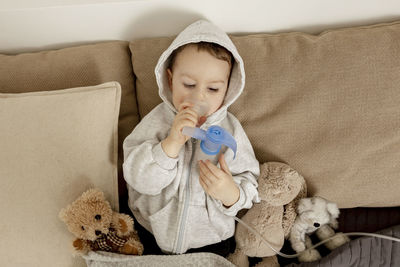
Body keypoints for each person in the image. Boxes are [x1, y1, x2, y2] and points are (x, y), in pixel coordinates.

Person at [123, 20, 260, 256]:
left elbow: (250, 183)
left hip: (213, 240)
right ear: (170, 79)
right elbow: (137, 179)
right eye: (189, 84)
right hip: (151, 232)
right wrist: (170, 145)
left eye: (213, 89)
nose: (199, 97)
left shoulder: (231, 131)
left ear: (228, 88)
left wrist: (231, 193)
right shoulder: (156, 122)